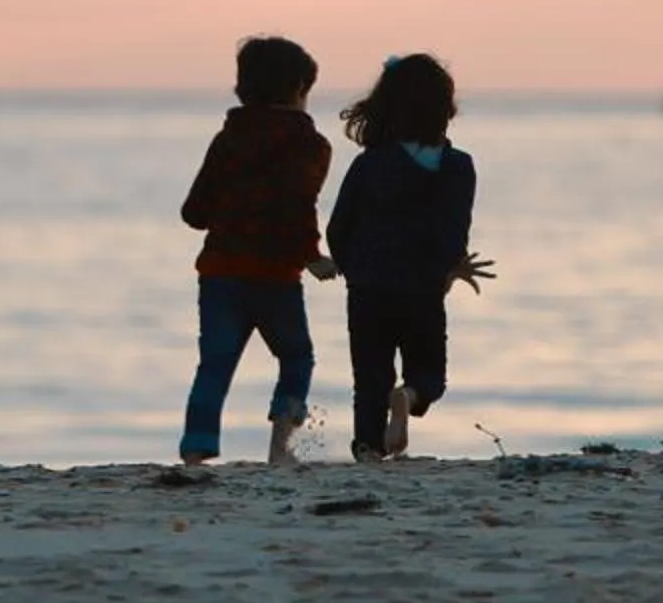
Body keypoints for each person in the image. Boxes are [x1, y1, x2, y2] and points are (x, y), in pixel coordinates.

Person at [175, 36, 336, 467]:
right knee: (296, 356)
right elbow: (297, 205)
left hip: (221, 270)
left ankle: (196, 448)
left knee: (215, 363)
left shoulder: (227, 140)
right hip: (276, 276)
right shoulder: (311, 145)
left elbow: (194, 212)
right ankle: (280, 447)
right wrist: (311, 255)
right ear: (299, 88)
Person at [324, 53, 492, 462]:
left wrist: (349, 266)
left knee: (369, 377)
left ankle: (367, 449)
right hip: (423, 289)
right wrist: (452, 267)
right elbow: (453, 231)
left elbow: (337, 227)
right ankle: (409, 395)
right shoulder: (458, 167)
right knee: (429, 372)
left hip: (368, 289)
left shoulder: (370, 165)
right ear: (446, 109)